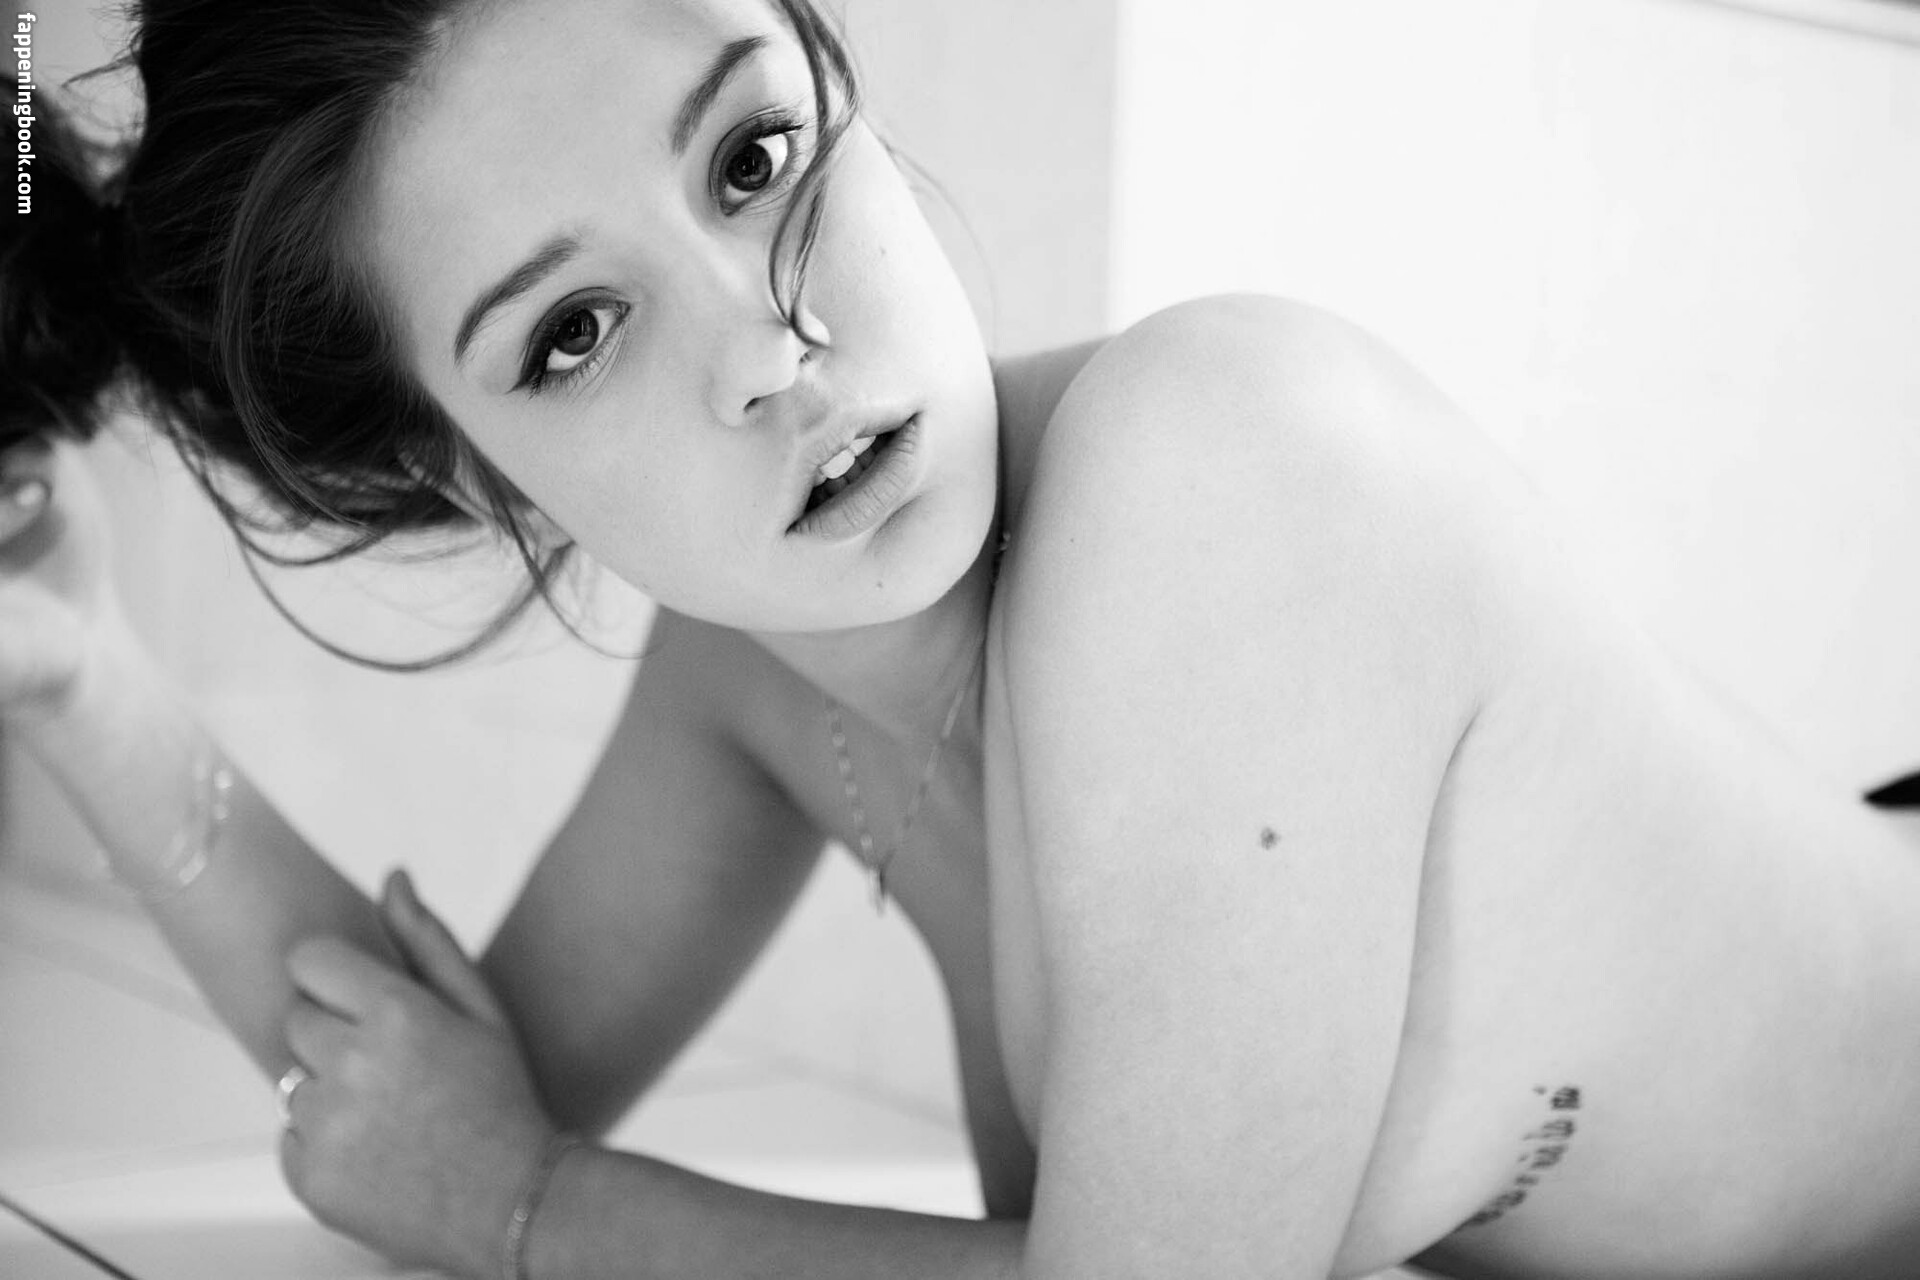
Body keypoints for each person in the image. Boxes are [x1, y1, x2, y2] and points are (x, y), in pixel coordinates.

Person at [5, 1, 1920, 1277]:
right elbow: (423, 1093)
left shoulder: (1230, 468)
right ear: (471, 470)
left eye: (752, 157)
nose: (772, 349)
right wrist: (84, 670)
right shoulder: (751, 670)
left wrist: (537, 1209)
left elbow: (483, 1158)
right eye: (572, 336)